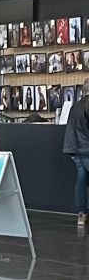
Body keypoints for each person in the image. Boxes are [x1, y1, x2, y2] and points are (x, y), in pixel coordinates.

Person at [63, 80, 89, 227]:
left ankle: (81, 214)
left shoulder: (75, 106)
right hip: (87, 149)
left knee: (81, 181)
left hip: (76, 149)